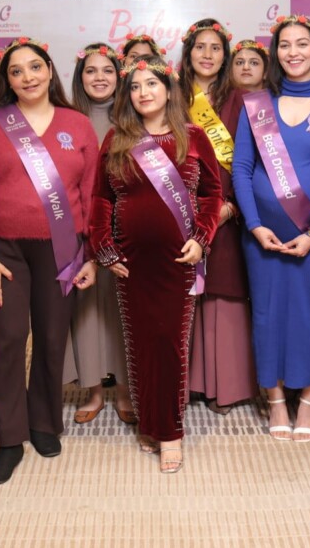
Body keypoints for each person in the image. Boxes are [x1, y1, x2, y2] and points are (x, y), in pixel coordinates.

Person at [0, 37, 98, 485]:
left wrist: (92, 255)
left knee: (53, 338)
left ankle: (43, 422)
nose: (27, 77)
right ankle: (9, 438)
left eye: (35, 67)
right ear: (8, 80)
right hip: (5, 251)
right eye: (16, 71)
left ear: (50, 70)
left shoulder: (78, 125)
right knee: (7, 338)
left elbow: (92, 194)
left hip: (63, 248)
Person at [90, 57, 222, 473]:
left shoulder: (193, 137)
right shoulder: (117, 138)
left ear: (169, 89)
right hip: (130, 262)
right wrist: (104, 249)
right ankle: (150, 422)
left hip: (177, 259)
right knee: (139, 342)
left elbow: (212, 195)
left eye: (151, 84)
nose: (143, 92)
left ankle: (170, 432)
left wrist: (201, 239)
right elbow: (101, 198)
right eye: (134, 86)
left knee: (170, 343)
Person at [232, 15, 310, 442]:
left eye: (302, 43)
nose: (293, 52)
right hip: (263, 238)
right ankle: (276, 400)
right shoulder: (256, 104)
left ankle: (308, 402)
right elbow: (241, 168)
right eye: (285, 45)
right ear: (275, 53)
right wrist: (254, 225)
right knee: (267, 316)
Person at [179, 19, 258, 415]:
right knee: (183, 295)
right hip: (178, 212)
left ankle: (226, 386)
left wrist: (229, 206)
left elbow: (252, 160)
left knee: (224, 293)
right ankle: (190, 384)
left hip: (227, 210)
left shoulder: (241, 99)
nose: (207, 55)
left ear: (225, 56)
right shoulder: (172, 95)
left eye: (215, 48)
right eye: (200, 47)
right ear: (188, 53)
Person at [64, 42, 133, 426]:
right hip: (76, 229)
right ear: (80, 77)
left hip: (123, 228)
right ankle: (92, 390)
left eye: (108, 70)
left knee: (121, 309)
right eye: (91, 71)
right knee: (86, 309)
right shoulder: (65, 119)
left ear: (119, 77)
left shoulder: (133, 117)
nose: (100, 78)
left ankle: (124, 390)